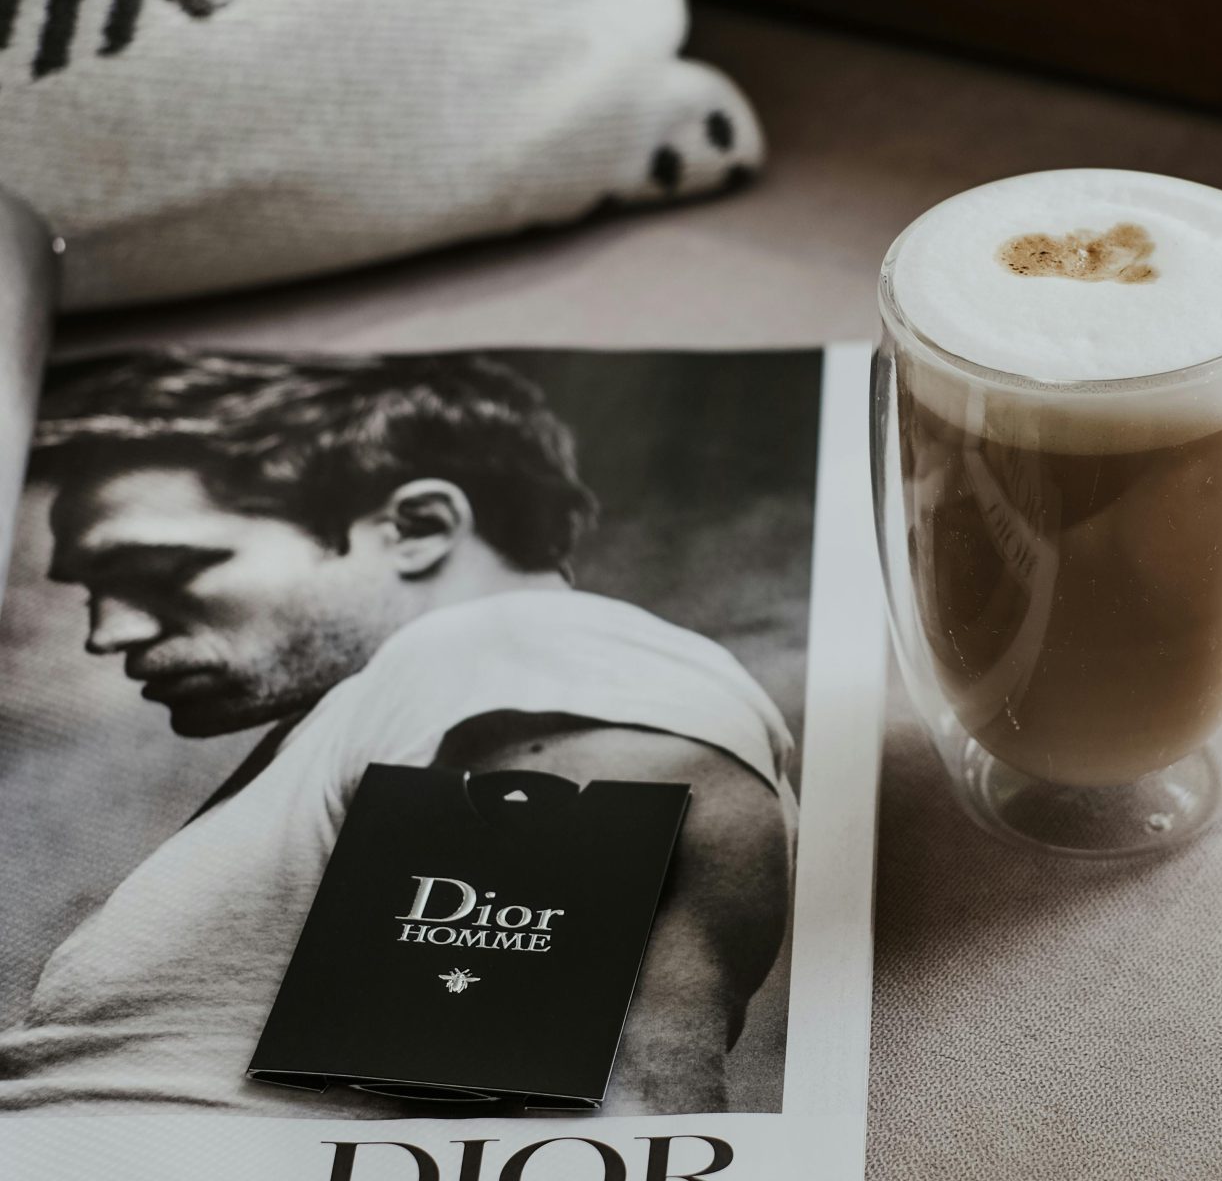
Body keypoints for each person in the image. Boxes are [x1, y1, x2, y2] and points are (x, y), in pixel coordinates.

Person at [0, 353, 793, 1117]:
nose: (109, 632)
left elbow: (609, 1113)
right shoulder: (406, 703)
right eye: (93, 591)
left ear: (418, 525)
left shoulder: (528, 650)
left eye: (159, 572)